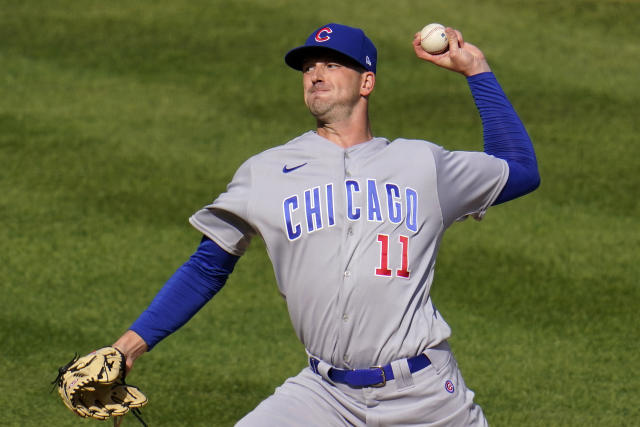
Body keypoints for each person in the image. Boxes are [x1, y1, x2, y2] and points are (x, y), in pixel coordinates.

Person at [112, 23, 539, 426]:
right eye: (308, 66)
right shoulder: (265, 172)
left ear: (366, 82)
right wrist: (127, 347)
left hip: (426, 397)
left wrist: (476, 70)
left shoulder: (423, 164)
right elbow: (207, 267)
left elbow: (519, 168)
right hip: (324, 396)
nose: (316, 74)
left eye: (332, 64)